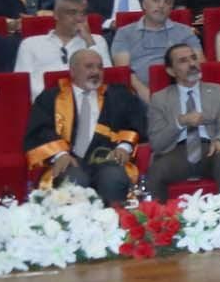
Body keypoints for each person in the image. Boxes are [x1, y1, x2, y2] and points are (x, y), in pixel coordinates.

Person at [23, 48, 144, 206]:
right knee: (74, 180)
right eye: (89, 66)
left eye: (100, 67)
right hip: (69, 160)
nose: (96, 71)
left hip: (108, 159)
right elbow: (40, 130)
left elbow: (135, 123)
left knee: (113, 179)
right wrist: (59, 155)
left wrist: (124, 146)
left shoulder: (119, 94)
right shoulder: (51, 97)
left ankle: (116, 224)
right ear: (72, 71)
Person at [144, 43, 220, 195]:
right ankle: (159, 217)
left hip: (211, 148)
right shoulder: (159, 99)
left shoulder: (219, 92)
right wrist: (180, 122)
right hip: (176, 151)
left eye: (194, 58)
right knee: (156, 171)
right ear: (171, 71)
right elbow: (156, 143)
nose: (192, 64)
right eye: (183, 61)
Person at [12, 0, 107, 98]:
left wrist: (89, 40)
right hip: (45, 104)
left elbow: (109, 77)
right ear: (56, 15)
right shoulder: (30, 44)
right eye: (72, 13)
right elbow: (22, 85)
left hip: (88, 99)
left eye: (83, 13)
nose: (79, 19)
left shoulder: (97, 41)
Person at [110, 0, 202, 92]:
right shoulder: (124, 33)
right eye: (156, 0)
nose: (161, 5)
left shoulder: (185, 31)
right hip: (138, 92)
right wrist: (146, 95)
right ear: (144, 4)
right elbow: (124, 71)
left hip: (180, 89)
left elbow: (198, 64)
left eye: (167, 2)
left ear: (171, 8)